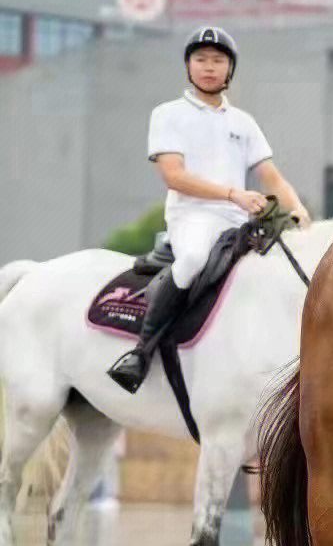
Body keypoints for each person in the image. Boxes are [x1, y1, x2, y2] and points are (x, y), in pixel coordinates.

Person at [107, 26, 311, 393]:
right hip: (192, 217)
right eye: (200, 59)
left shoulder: (243, 123)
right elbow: (173, 176)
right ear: (188, 66)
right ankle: (140, 353)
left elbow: (272, 176)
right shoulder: (168, 114)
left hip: (239, 221)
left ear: (229, 70)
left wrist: (298, 210)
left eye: (218, 60)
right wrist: (233, 193)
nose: (209, 67)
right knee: (192, 260)